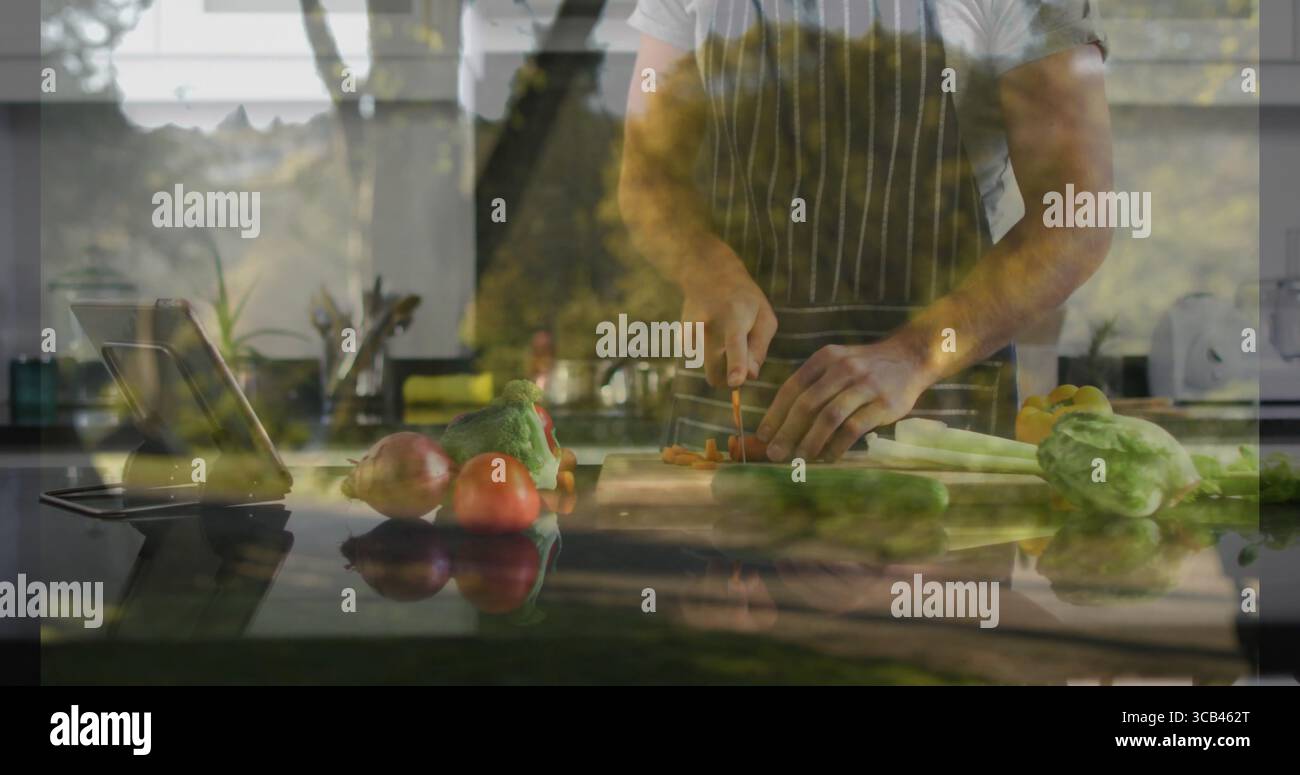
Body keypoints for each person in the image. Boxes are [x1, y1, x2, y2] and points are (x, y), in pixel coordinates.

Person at [619, 0, 1113, 461]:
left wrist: (914, 356)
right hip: (726, 430)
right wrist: (706, 269)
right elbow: (648, 177)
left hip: (928, 441)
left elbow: (1076, 215)